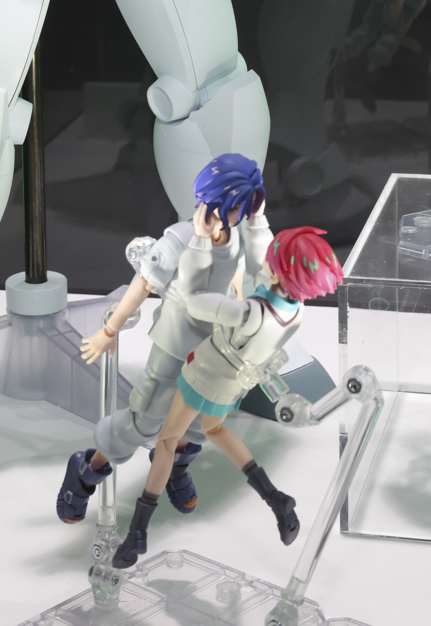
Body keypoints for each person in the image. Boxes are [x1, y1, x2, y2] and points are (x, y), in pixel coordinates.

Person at [110, 220, 343, 568]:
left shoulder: (249, 313)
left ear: (280, 273)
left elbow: (195, 303)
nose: (265, 262)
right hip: (233, 386)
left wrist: (193, 261)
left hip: (203, 375)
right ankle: (274, 497)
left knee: (167, 442)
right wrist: (257, 221)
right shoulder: (295, 312)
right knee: (215, 430)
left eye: (272, 260)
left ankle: (138, 532)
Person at [55, 154, 271, 523]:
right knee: (145, 418)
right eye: (239, 207)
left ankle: (174, 465)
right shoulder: (181, 237)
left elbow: (238, 274)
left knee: (198, 417)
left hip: (212, 345)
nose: (241, 215)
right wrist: (109, 330)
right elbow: (144, 283)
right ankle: (87, 470)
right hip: (175, 342)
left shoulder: (234, 235)